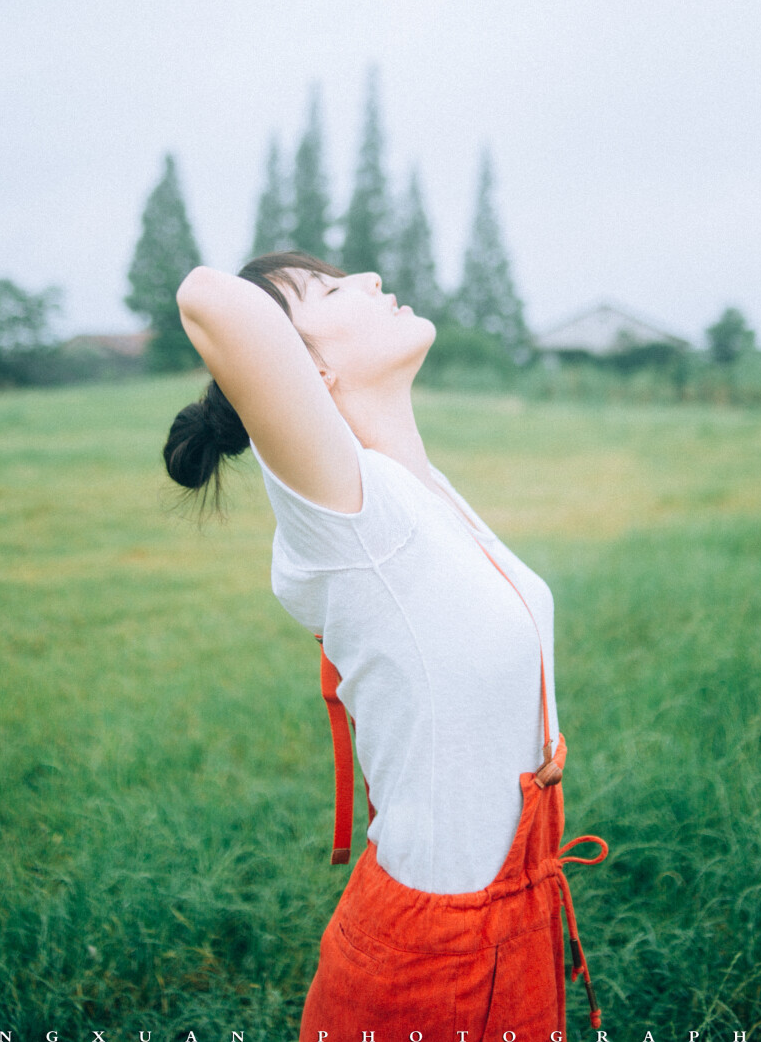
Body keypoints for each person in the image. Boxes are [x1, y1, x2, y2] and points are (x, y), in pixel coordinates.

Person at [163, 250, 607, 1040]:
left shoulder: (414, 487)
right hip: (434, 957)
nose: (370, 281)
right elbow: (207, 298)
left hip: (520, 913)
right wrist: (276, 376)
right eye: (332, 290)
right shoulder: (343, 509)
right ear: (307, 372)